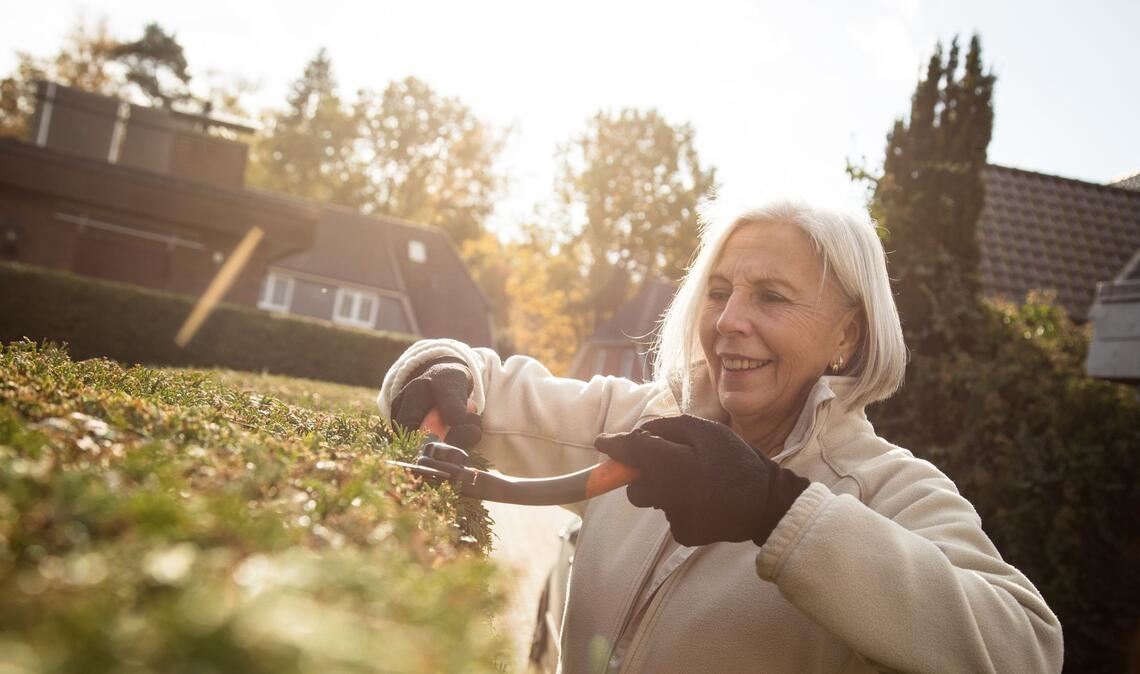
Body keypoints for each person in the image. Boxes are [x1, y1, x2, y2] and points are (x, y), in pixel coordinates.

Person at [377, 200, 1063, 673]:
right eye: (719, 291)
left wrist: (778, 510)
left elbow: (1025, 650)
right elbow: (496, 396)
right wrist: (442, 369)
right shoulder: (649, 421)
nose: (730, 319)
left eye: (771, 296)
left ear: (847, 335)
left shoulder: (889, 488)